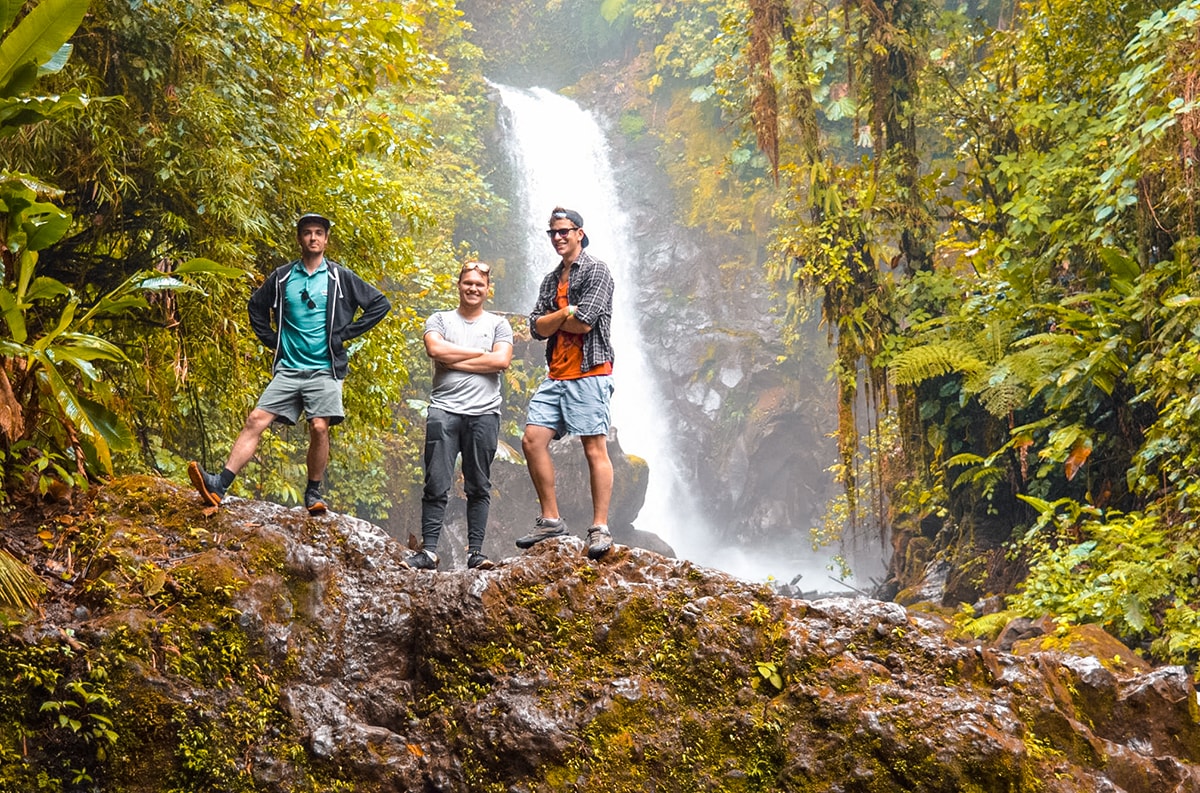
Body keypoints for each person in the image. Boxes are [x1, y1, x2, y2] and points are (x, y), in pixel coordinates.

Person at [188, 212, 391, 514]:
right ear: (299, 238)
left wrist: (343, 334)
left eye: (319, 232)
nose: (313, 238)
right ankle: (219, 485)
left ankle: (313, 493)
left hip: (325, 368)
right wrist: (273, 339)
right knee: (256, 419)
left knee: (320, 427)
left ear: (326, 239)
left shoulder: (338, 277)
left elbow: (379, 304)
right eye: (308, 232)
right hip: (288, 367)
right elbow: (255, 306)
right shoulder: (283, 276)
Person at [515, 207, 616, 560]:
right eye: (553, 233)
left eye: (564, 231)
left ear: (579, 233)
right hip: (556, 374)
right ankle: (551, 519)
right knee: (532, 440)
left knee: (593, 448)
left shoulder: (597, 270)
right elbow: (534, 328)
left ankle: (600, 526)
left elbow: (585, 322)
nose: (558, 237)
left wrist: (555, 320)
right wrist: (563, 314)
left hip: (590, 371)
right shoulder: (549, 280)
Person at [404, 261, 514, 571]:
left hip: (484, 414)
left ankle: (475, 553)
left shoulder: (498, 325)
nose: (473, 288)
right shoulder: (439, 319)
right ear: (459, 285)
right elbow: (435, 350)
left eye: (479, 284)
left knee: (478, 484)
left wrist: (456, 359)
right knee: (436, 482)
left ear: (487, 289)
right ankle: (429, 552)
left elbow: (502, 360)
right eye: (468, 282)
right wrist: (482, 356)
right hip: (444, 411)